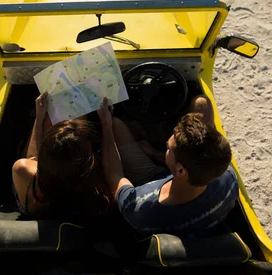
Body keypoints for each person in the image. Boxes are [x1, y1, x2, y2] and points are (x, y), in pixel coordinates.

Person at [97, 95, 239, 236]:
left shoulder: (140, 207)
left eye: (168, 148)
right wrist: (153, 153)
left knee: (116, 124)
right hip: (173, 178)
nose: (167, 146)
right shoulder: (228, 178)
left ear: (180, 170)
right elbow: (183, 168)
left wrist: (106, 125)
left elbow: (114, 176)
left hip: (150, 178)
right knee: (202, 103)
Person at [12, 92, 112, 220]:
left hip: (37, 200)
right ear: (88, 160)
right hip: (70, 207)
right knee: (76, 122)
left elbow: (33, 158)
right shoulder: (98, 190)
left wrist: (39, 118)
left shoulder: (22, 170)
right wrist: (106, 125)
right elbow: (113, 171)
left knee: (49, 122)